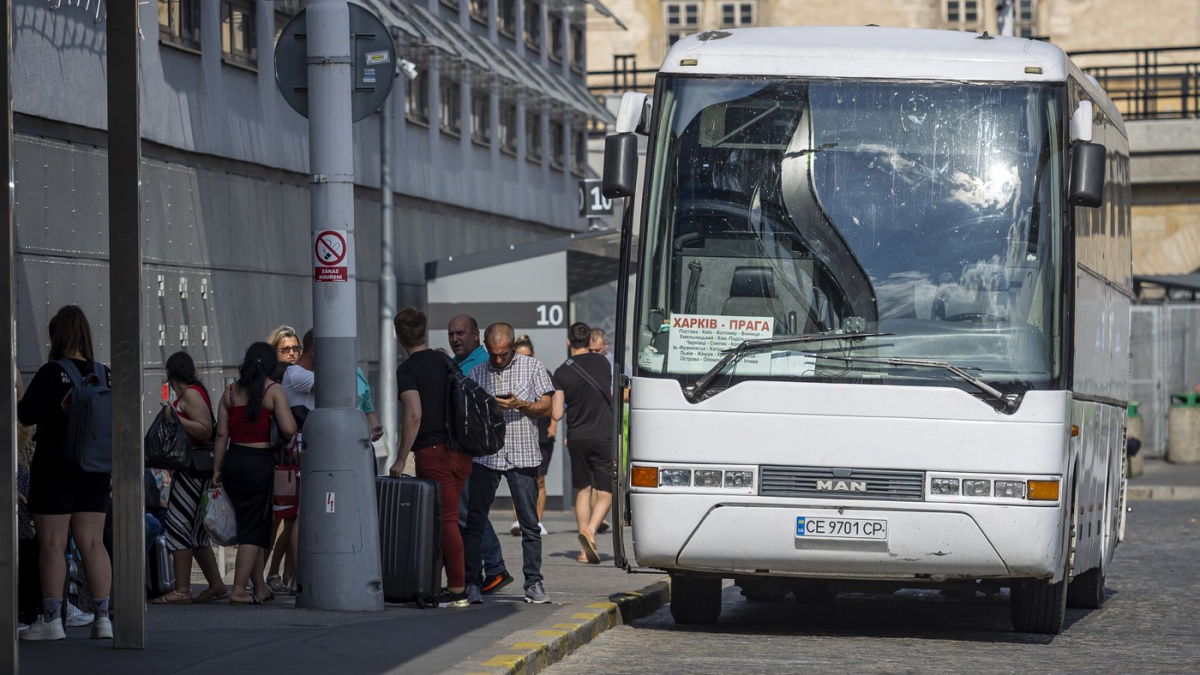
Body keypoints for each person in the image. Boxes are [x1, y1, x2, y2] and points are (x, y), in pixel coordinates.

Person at [18, 305, 113, 641]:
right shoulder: (106, 374)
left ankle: (52, 621)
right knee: (93, 543)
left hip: (55, 468)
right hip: (96, 471)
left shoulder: (50, 373)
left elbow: (25, 414)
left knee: (53, 544)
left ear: (57, 336)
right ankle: (103, 619)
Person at [462, 323, 555, 604]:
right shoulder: (477, 373)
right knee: (475, 521)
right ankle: (472, 582)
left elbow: (547, 407)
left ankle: (534, 583)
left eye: (503, 354)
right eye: (493, 354)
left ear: (512, 346)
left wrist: (519, 404)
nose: (498, 359)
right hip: (487, 455)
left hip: (522, 452)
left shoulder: (533, 367)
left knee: (530, 523)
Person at [388, 308, 473, 608]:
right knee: (445, 521)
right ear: (424, 332)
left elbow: (414, 415)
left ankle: (458, 588)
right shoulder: (446, 361)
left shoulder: (408, 369)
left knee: (446, 521)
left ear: (398, 337)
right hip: (461, 453)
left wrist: (400, 459)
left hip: (434, 452)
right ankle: (440, 583)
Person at [214, 342, 297, 605]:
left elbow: (221, 434)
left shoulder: (229, 393)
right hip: (259, 464)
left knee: (254, 525)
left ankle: (260, 588)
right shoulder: (273, 391)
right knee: (253, 530)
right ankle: (238, 590)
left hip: (234, 462)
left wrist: (217, 469)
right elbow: (289, 429)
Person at [153, 351, 228, 605]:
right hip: (199, 470)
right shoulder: (196, 391)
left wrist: (174, 417)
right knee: (196, 534)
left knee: (177, 525)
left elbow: (205, 428)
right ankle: (216, 584)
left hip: (192, 471)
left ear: (172, 375)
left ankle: (182, 589)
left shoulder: (191, 394)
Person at [447, 314, 512, 596]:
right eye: (451, 334)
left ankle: (493, 568)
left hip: (478, 455)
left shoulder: (476, 367)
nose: (455, 339)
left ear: (476, 336)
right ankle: (490, 569)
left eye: (460, 333)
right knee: (472, 515)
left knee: (470, 516)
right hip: (472, 453)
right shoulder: (462, 365)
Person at [553, 323, 615, 564]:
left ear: (569, 342)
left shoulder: (561, 372)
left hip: (577, 437)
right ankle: (590, 531)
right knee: (606, 492)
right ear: (590, 341)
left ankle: (583, 551)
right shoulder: (602, 362)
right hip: (602, 435)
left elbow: (557, 414)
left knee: (583, 490)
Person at [509, 335, 556, 537]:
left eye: (528, 355)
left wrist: (554, 425)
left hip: (543, 434)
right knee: (516, 478)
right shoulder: (509, 374)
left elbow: (554, 403)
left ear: (533, 355)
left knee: (539, 479)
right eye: (520, 356)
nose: (524, 359)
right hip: (518, 432)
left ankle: (537, 520)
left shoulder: (543, 372)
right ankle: (518, 520)